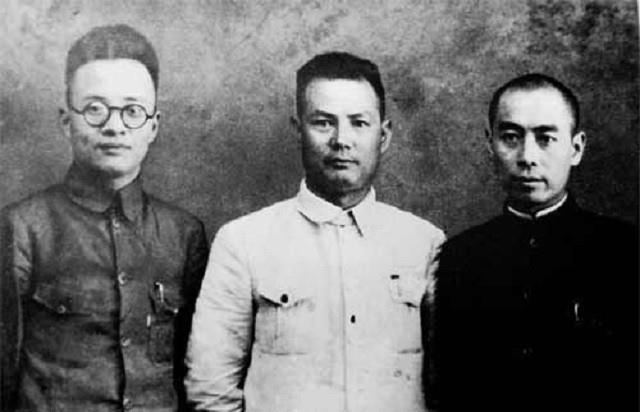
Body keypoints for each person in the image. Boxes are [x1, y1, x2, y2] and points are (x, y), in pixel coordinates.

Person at [185, 51, 445, 412]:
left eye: (359, 123)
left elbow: (447, 383)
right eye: (323, 123)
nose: (341, 140)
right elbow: (210, 387)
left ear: (383, 135)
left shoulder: (424, 243)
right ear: (298, 131)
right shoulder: (243, 243)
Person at [0, 24, 208, 411]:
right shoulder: (21, 228)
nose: (114, 127)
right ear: (67, 121)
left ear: (153, 126)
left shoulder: (184, 235)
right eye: (95, 109)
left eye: (132, 111)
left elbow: (194, 370)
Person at [423, 73, 638, 412]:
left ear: (576, 148)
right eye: (511, 137)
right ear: (490, 143)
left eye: (546, 138)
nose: (527, 157)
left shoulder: (625, 251)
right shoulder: (459, 257)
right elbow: (447, 387)